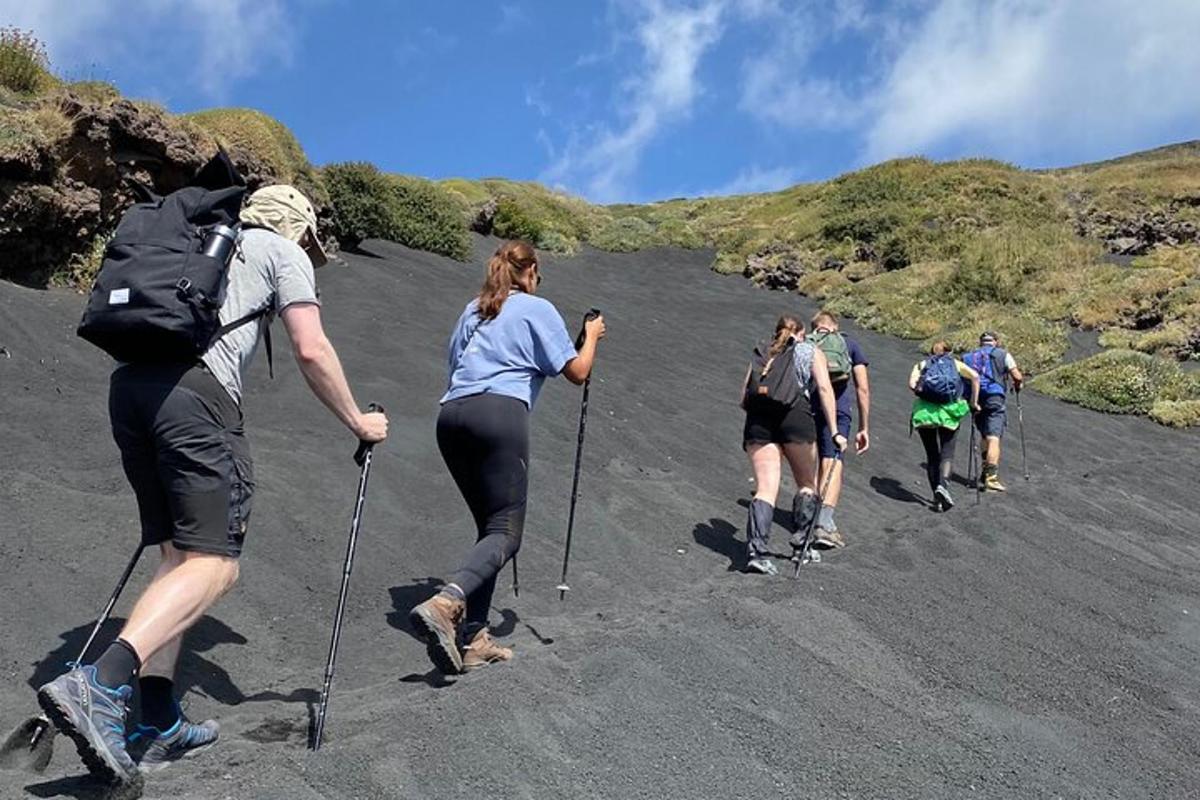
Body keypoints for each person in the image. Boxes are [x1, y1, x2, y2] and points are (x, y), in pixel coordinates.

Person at [37, 185, 389, 783]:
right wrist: (359, 420)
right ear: (298, 226)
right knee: (216, 563)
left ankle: (157, 720)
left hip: (131, 390)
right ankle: (100, 683)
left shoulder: (195, 240)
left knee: (176, 555)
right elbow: (311, 346)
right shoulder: (282, 251)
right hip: (197, 400)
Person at [409, 240, 605, 674]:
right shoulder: (537, 309)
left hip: (453, 416)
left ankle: (474, 637)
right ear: (530, 270)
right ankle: (447, 603)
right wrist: (590, 337)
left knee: (490, 527)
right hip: (500, 414)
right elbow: (577, 372)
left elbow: (456, 366)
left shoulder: (473, 310)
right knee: (507, 533)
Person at [739, 315, 845, 575]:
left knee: (765, 488)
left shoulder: (762, 351)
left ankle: (757, 552)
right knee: (807, 485)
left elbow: (743, 397)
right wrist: (834, 431)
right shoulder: (809, 350)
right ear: (801, 333)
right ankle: (802, 546)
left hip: (759, 421)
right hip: (795, 417)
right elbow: (824, 388)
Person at [806, 310, 870, 549]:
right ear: (835, 326)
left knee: (810, 461)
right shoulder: (849, 344)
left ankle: (807, 514)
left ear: (815, 327)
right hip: (839, 410)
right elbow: (863, 389)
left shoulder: (805, 344)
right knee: (832, 461)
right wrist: (864, 426)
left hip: (806, 408)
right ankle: (823, 523)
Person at [908, 342, 980, 511]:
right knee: (947, 454)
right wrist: (973, 403)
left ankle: (936, 496)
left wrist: (926, 393)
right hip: (950, 414)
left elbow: (912, 385)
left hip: (924, 414)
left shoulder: (921, 365)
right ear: (949, 352)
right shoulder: (955, 364)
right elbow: (975, 377)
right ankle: (943, 487)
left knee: (932, 455)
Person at [964, 331, 1024, 491]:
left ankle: (984, 470)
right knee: (994, 437)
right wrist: (1017, 386)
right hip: (994, 397)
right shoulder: (1003, 354)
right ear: (996, 341)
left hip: (975, 399)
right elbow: (1017, 376)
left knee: (984, 434)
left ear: (980, 342)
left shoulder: (968, 357)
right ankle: (991, 477)